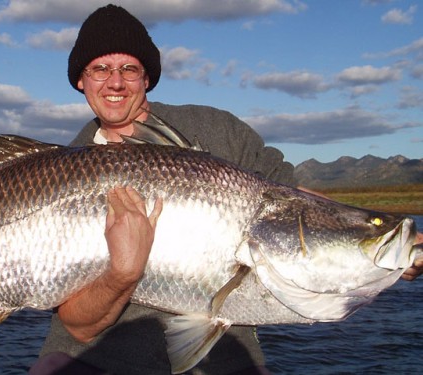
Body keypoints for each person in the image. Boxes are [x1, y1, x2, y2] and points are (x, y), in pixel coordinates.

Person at [30, 4, 423, 375]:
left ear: (146, 77)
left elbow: (292, 196)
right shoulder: (53, 179)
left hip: (224, 357)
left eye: (129, 69)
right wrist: (122, 273)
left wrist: (370, 238)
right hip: (94, 358)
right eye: (100, 68)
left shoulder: (219, 130)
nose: (115, 82)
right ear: (81, 80)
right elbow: (78, 326)